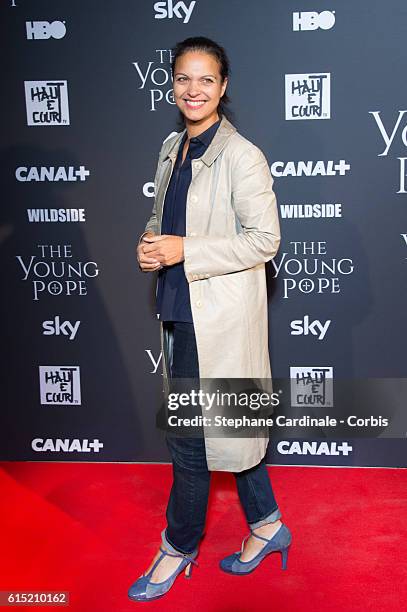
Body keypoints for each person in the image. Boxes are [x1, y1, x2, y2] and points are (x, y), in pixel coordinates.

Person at [129, 36, 292, 603]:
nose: (193, 90)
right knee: (230, 433)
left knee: (191, 442)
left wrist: (186, 251)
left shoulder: (242, 156)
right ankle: (268, 525)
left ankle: (178, 547)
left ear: (223, 87)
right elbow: (160, 222)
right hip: (177, 309)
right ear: (172, 85)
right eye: (183, 79)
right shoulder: (172, 146)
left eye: (206, 80)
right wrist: (150, 250)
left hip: (216, 321)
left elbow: (265, 239)